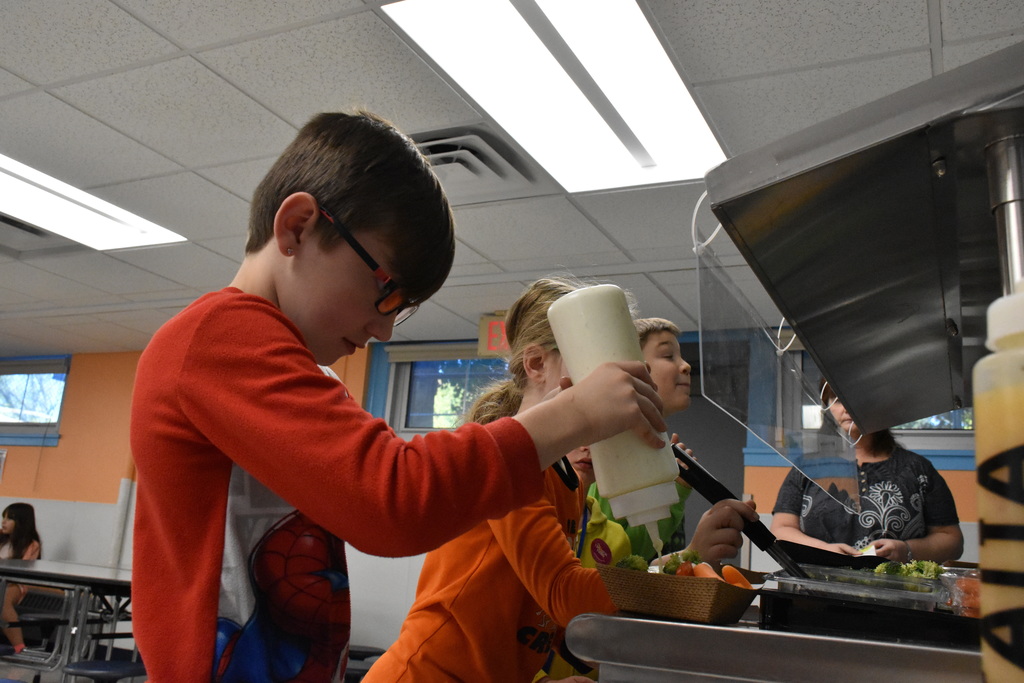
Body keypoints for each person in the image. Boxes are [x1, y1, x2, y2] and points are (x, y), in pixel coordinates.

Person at [129, 113, 669, 683]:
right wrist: (578, 413)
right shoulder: (217, 337)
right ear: (298, 227)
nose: (384, 332)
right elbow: (393, 500)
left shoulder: (287, 365)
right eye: (386, 291)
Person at [363, 278, 756, 683]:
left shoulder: (570, 484)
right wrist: (683, 567)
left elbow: (550, 626)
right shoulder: (513, 468)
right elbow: (565, 595)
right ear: (536, 365)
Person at [770, 382, 964, 563]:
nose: (847, 407)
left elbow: (952, 540)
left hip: (895, 592)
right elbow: (781, 528)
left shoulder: (917, 469)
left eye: (857, 399)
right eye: (837, 399)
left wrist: (906, 550)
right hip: (814, 589)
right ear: (828, 407)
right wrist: (824, 550)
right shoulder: (806, 467)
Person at [588, 318, 698, 561]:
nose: (686, 366)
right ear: (635, 367)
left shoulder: (654, 449)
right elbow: (615, 559)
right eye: (668, 356)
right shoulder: (612, 448)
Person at [0, 502, 41, 654]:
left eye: (9, 519)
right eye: (3, 517)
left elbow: (21, 570)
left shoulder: (31, 544)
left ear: (21, 522)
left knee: (2, 602)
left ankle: (19, 647)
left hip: (14, 584)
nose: (3, 522)